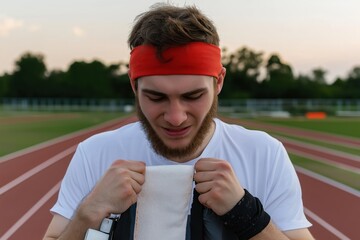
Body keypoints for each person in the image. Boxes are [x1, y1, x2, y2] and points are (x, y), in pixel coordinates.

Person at [43, 3, 314, 240]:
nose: (175, 117)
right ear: (133, 86)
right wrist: (88, 213)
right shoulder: (96, 153)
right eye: (156, 97)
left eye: (193, 95)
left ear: (218, 81)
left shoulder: (264, 153)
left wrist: (246, 214)